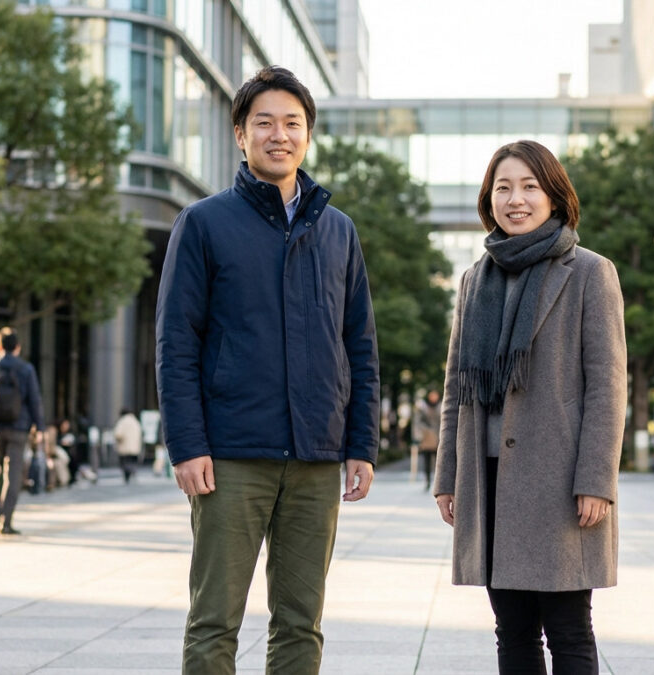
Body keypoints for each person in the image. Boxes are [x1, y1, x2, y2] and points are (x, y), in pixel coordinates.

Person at [155, 65, 379, 674]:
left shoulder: (339, 231)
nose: (279, 135)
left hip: (315, 458)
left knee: (301, 625)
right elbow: (176, 343)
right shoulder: (203, 223)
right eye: (264, 123)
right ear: (240, 134)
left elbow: (358, 346)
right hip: (229, 456)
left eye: (292, 123)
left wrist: (360, 443)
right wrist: (187, 444)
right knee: (213, 623)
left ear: (307, 135)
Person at [433, 140, 626, 675]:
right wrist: (448, 475)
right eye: (503, 188)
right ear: (488, 199)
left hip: (560, 480)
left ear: (555, 196)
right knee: (511, 631)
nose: (515, 199)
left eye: (528, 187)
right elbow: (455, 389)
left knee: (568, 629)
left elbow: (607, 386)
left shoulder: (589, 271)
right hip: (489, 478)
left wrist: (596, 479)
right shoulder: (475, 280)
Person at [0, 327, 45, 535]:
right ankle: (6, 520)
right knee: (13, 473)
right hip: (19, 428)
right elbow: (34, 400)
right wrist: (39, 427)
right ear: (18, 347)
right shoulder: (26, 369)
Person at [412, 390, 441, 489]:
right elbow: (417, 422)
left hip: (439, 438)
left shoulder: (441, 406)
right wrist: (419, 435)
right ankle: (427, 481)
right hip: (426, 438)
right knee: (427, 461)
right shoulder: (422, 407)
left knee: (440, 461)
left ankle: (439, 482)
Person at [113, 408, 142, 484]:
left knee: (125, 462)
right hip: (135, 447)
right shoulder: (135, 421)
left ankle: (127, 475)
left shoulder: (122, 422)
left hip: (125, 446)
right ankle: (133, 472)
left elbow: (118, 434)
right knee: (133, 461)